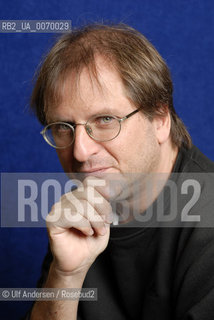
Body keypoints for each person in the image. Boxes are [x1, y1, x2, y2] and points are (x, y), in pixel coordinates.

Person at [25, 23, 214, 320]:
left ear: (160, 119)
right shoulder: (83, 210)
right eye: (63, 127)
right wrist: (65, 276)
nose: (80, 152)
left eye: (104, 120)